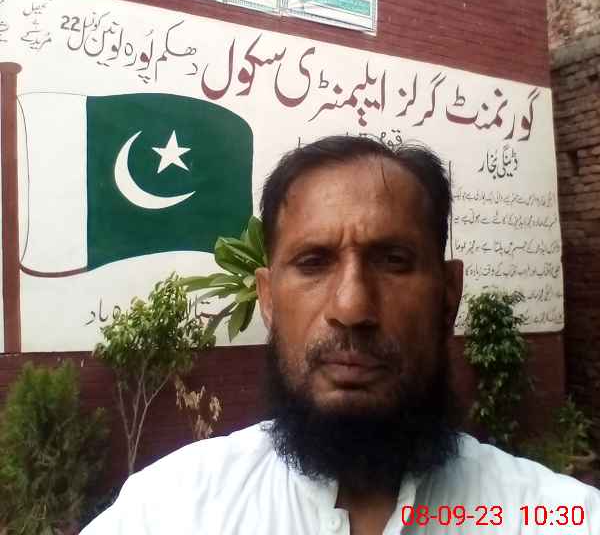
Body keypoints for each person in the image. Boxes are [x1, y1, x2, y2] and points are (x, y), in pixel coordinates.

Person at [81, 136, 600, 534]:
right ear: (268, 298)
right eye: (313, 262)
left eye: (393, 261)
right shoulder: (171, 510)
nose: (352, 308)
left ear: (448, 295)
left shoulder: (552, 515)